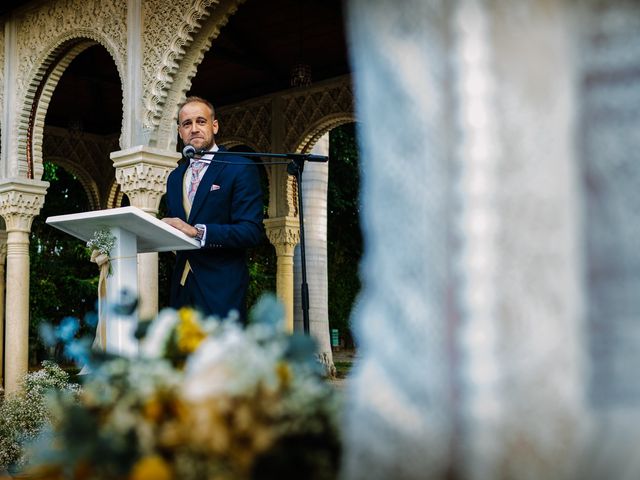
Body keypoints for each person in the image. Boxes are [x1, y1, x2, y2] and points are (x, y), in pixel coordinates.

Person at [162, 96, 265, 322]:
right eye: (187, 124)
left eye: (201, 121)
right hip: (182, 290)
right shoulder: (174, 177)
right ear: (180, 132)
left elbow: (251, 231)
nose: (194, 129)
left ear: (214, 126)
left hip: (222, 290)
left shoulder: (238, 167)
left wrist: (198, 232)